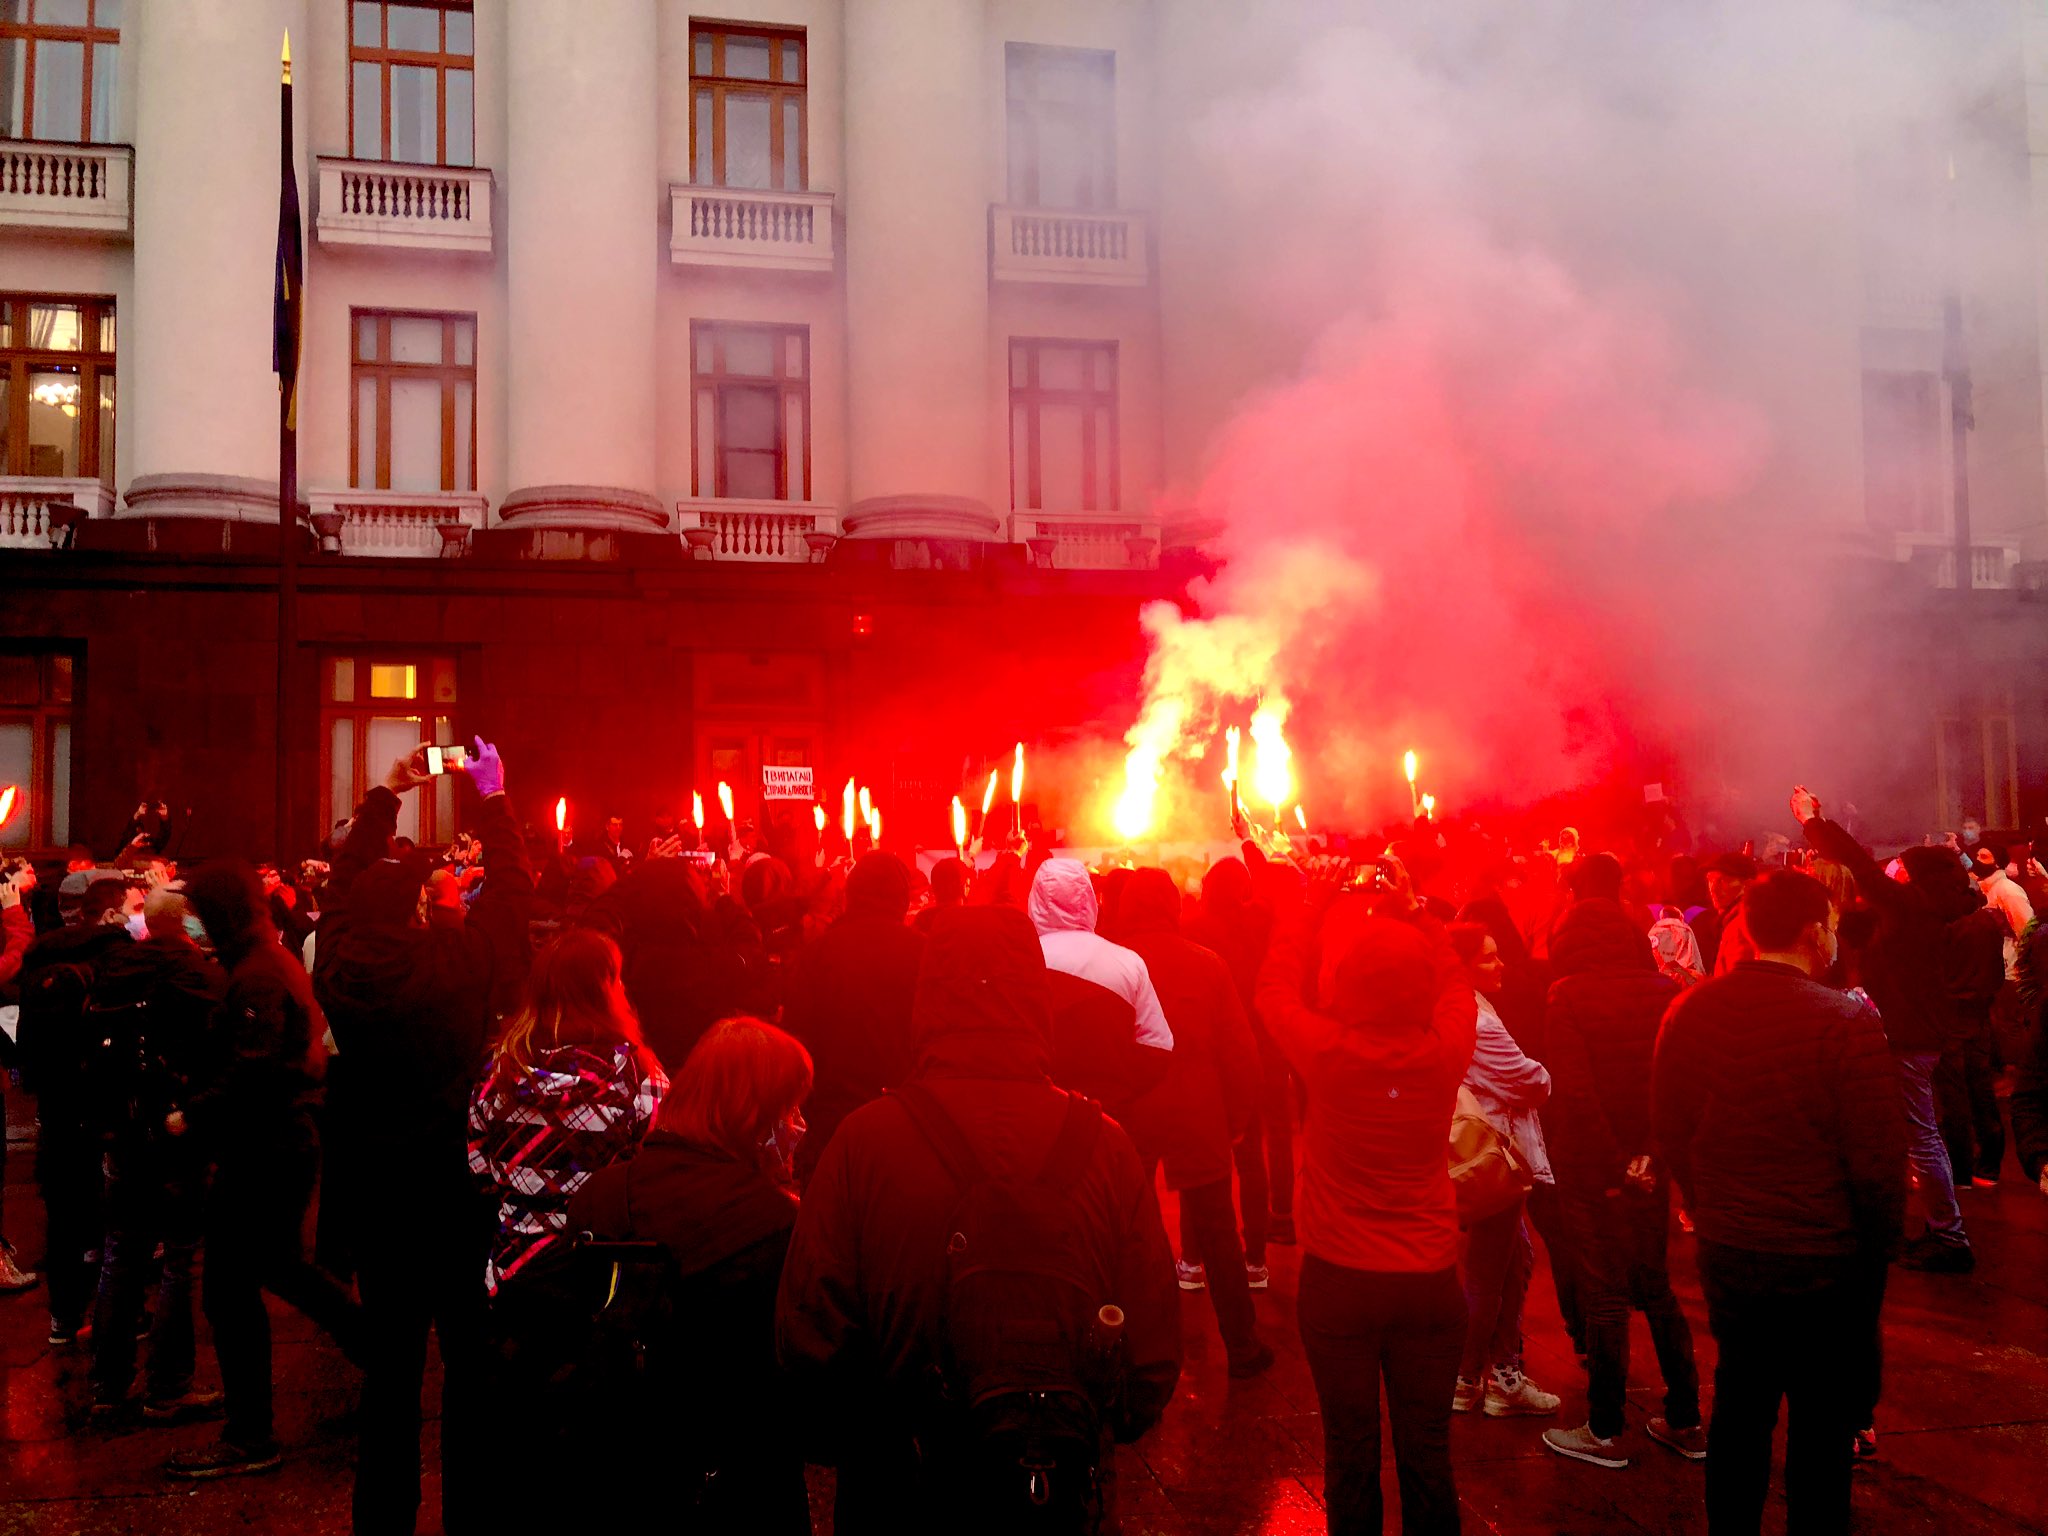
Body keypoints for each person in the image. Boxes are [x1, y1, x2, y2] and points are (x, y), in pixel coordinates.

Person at [777, 906, 1182, 1529]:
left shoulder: (864, 1143)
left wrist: (867, 1444)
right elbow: (1151, 1349)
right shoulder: (1104, 1144)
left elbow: (809, 1332)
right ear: (1037, 999)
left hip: (901, 1493)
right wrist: (1090, 1425)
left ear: (927, 998)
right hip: (1054, 1491)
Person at [314, 739, 533, 1536]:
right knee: (472, 1373)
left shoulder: (336, 963)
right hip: (457, 1190)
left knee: (391, 1375)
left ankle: (383, 1522)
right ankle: (472, 1517)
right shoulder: (464, 961)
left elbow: (339, 892)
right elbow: (512, 899)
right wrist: (496, 801)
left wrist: (381, 798)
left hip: (377, 1194)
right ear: (416, 909)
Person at [1653, 868, 1906, 1536]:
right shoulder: (1846, 1020)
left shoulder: (1691, 1010)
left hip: (1734, 1248)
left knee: (1741, 1402)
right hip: (1826, 1255)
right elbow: (1877, 1163)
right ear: (1809, 931)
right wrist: (1877, 1251)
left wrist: (1708, 1205)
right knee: (1822, 1424)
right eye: (1827, 922)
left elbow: (1672, 1126)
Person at [1256, 856, 1476, 1536]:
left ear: (1349, 982)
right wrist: (1415, 913)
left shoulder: (1326, 1051)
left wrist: (1312, 905)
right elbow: (1456, 985)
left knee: (1350, 1451)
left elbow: (1273, 989)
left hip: (1341, 1280)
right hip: (1431, 1277)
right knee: (1428, 1452)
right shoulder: (1445, 1051)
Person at [568, 1016, 813, 1534]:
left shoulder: (602, 1197)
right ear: (755, 1114)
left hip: (618, 1471)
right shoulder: (776, 1223)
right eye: (789, 1107)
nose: (801, 1125)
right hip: (743, 1484)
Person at [169, 859, 366, 1479]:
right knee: (279, 1271)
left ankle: (251, 1433)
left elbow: (255, 1070)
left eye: (199, 911)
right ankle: (378, 1355)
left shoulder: (255, 975)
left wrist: (188, 1114)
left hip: (265, 1146)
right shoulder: (262, 961)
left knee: (231, 1291)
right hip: (277, 1141)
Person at [1536, 898, 1704, 1469]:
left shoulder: (1566, 995)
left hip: (1592, 1164)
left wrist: (1614, 1162)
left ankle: (1604, 1428)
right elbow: (1675, 1084)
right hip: (1651, 1164)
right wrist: (1651, 1156)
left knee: (1604, 1291)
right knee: (1655, 1284)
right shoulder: (1662, 992)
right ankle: (1686, 1417)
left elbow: (1575, 1091)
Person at [1795, 786, 1978, 1271]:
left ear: (1915, 875)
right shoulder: (1931, 909)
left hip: (1908, 1036)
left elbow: (1860, 865)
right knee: (1919, 1135)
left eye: (1902, 865)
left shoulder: (1909, 906)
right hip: (1921, 1032)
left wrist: (1815, 822)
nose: (1893, 868)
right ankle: (1937, 1229)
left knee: (1921, 1137)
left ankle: (1950, 1238)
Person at [1117, 867, 1272, 1376]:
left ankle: (1134, 1346)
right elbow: (1241, 1050)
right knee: (1219, 1231)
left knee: (1125, 1230)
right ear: (1173, 907)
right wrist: (1237, 1115)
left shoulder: (1115, 965)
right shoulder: (1208, 965)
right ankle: (1243, 1346)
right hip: (1197, 1104)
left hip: (1132, 1106)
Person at [85, 886, 223, 1420]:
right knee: (179, 1259)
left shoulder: (116, 972)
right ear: (184, 922)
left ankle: (108, 1385)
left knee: (122, 1252)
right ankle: (168, 1386)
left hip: (122, 1129)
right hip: (174, 1128)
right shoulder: (199, 977)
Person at [1445, 923, 1560, 1421]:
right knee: (1490, 1273)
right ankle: (1473, 1378)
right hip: (1496, 1156)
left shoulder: (1454, 1009)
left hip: (1489, 1154)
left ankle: (1499, 1372)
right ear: (1463, 967)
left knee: (1511, 1260)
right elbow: (1529, 1080)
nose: (1501, 964)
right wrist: (1546, 1074)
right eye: (1488, 958)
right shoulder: (1478, 1021)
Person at [14, 872, 135, 1343]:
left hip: (56, 1105)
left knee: (63, 1215)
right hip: (104, 1105)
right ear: (106, 912)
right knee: (115, 1220)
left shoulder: (41, 955)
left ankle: (62, 1317)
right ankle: (116, 1320)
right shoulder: (116, 955)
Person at [779, 851, 924, 1184]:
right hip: (908, 1119)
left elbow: (796, 1039)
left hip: (832, 1119)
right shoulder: (925, 953)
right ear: (901, 898)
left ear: (851, 895)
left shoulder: (817, 954)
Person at [1185, 856, 1294, 1257]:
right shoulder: (1259, 921)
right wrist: (1251, 844)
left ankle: (1198, 1255)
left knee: (1210, 1150)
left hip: (1219, 1050)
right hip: (1266, 1040)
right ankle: (1274, 1228)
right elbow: (1270, 886)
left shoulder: (1194, 928)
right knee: (1270, 1140)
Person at [1028, 856, 1174, 1061]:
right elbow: (1157, 1045)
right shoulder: (1128, 963)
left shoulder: (1020, 962)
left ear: (1035, 900)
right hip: (1111, 1090)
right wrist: (1119, 1087)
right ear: (1089, 898)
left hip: (1044, 1090)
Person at [1703, 852, 1758, 975]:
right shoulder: (1730, 919)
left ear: (1748, 885)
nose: (1713, 888)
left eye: (1723, 881)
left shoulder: (1741, 926)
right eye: (1710, 879)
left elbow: (1735, 983)